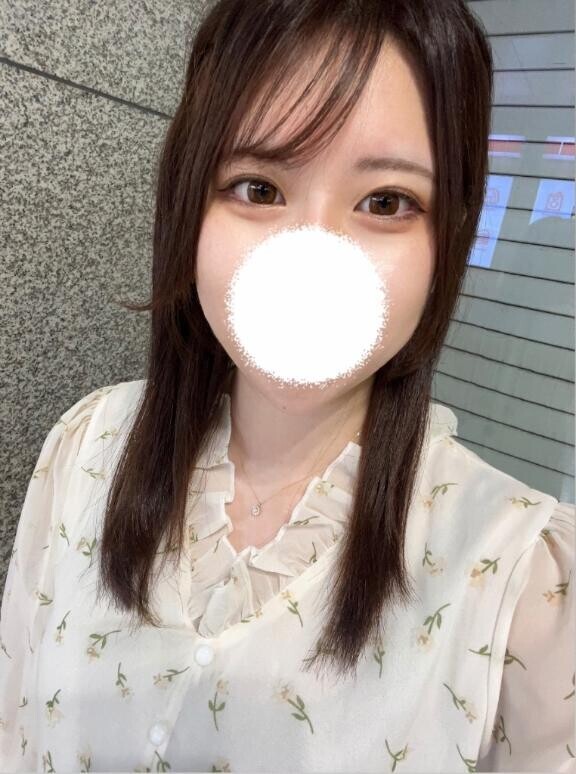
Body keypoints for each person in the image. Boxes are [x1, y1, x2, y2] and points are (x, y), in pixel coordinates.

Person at [1, 0, 574, 772]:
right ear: (188, 203)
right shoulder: (85, 448)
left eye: (386, 202)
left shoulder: (527, 588)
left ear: (448, 239)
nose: (311, 264)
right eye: (258, 188)